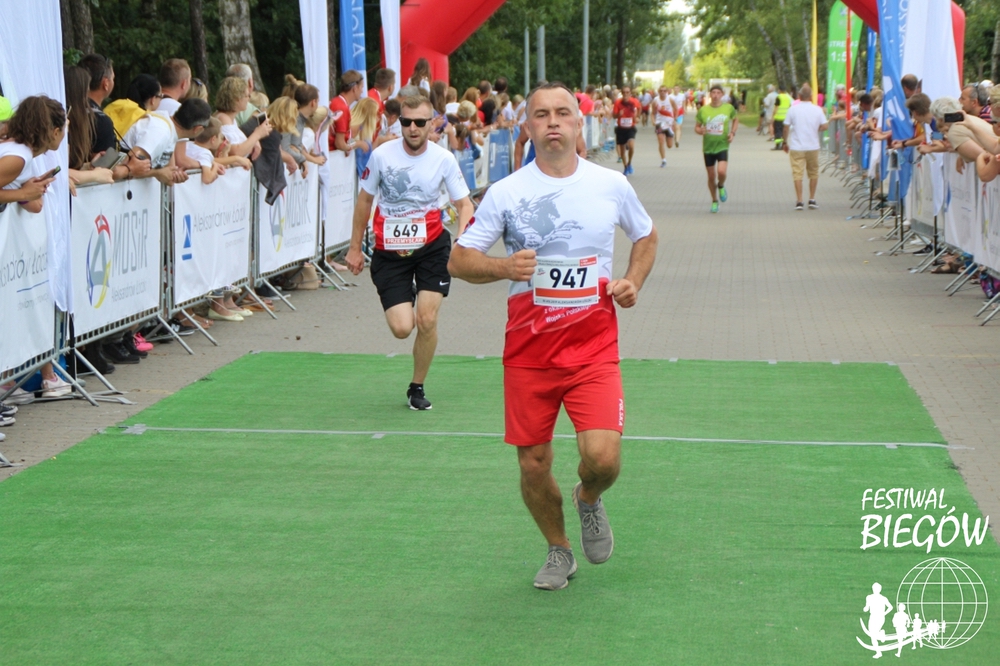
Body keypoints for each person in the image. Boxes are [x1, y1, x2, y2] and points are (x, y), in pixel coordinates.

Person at [448, 82, 657, 591]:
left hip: (593, 348)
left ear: (579, 122)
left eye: (563, 112)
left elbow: (646, 235)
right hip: (529, 351)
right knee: (533, 463)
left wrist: (632, 281)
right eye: (541, 115)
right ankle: (559, 549)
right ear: (528, 127)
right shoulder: (506, 192)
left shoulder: (610, 185)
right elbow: (459, 259)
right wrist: (503, 267)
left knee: (603, 458)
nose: (553, 122)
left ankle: (589, 498)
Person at [344, 95, 474, 410]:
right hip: (390, 251)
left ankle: (417, 386)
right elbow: (364, 201)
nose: (413, 128)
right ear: (399, 122)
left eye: (420, 122)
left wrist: (462, 242)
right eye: (406, 122)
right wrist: (354, 248)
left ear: (432, 124)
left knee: (426, 319)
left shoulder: (443, 158)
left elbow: (464, 204)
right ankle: (410, 291)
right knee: (403, 328)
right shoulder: (382, 155)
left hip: (432, 247)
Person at [0, 96, 72, 398]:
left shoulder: (20, 154)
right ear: (53, 130)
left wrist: (27, 192)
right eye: (65, 127)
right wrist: (22, 193)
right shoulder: (18, 156)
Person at [781, 84, 828, 210]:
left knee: (797, 173)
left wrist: (784, 142)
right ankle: (812, 199)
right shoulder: (817, 109)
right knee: (813, 172)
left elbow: (786, 127)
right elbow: (825, 126)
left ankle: (799, 200)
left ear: (799, 96)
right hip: (813, 146)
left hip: (796, 146)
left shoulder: (793, 109)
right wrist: (816, 129)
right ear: (811, 96)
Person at [694, 84, 738, 213]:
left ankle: (721, 185)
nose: (716, 95)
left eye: (718, 93)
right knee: (711, 176)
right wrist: (700, 130)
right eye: (713, 93)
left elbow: (736, 120)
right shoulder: (703, 110)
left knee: (722, 172)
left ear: (722, 95)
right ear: (710, 95)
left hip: (722, 145)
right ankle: (714, 200)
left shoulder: (728, 108)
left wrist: (732, 133)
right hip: (708, 147)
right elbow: (697, 127)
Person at [329, 70, 363, 154]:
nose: (362, 91)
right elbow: (339, 144)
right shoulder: (342, 108)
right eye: (361, 87)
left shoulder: (336, 101)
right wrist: (355, 145)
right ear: (355, 88)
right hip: (334, 156)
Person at [612, 86, 640, 175]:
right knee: (622, 151)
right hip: (621, 128)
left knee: (631, 146)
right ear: (622, 93)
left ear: (630, 93)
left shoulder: (634, 101)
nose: (625, 94)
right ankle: (625, 167)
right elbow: (614, 116)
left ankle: (630, 162)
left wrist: (637, 117)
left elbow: (639, 108)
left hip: (630, 127)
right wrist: (618, 114)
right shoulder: (618, 102)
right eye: (624, 92)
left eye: (627, 92)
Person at [651, 85, 675, 166]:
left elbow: (676, 109)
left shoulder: (670, 99)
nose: (662, 92)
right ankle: (663, 160)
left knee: (669, 145)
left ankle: (671, 137)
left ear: (667, 92)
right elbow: (652, 113)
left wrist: (675, 119)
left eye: (664, 91)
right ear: (658, 92)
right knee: (661, 141)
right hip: (659, 123)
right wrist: (653, 121)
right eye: (661, 91)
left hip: (669, 123)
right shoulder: (655, 101)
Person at [772, 85, 793, 149]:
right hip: (786, 117)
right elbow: (791, 105)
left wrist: (773, 116)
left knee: (778, 131)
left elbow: (776, 107)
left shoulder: (779, 97)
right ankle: (783, 145)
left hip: (778, 117)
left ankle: (778, 145)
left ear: (779, 90)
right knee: (784, 131)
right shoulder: (789, 97)